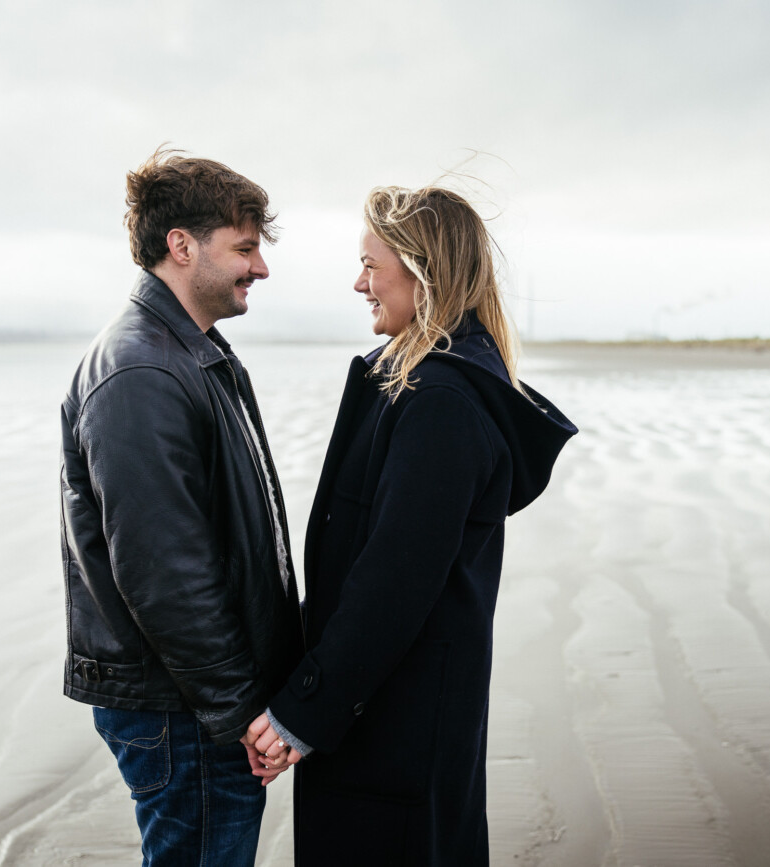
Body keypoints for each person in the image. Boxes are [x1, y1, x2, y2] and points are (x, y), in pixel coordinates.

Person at [243, 185, 577, 865]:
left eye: (372, 264)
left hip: (397, 724)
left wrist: (301, 711)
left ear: (426, 272)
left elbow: (394, 580)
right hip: (387, 708)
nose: (359, 282)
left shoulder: (441, 401)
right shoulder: (411, 381)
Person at [59, 147, 304, 865]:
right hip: (184, 710)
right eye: (245, 248)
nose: (260, 267)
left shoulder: (191, 352)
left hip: (198, 699)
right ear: (181, 245)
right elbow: (165, 573)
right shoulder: (140, 369)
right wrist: (237, 710)